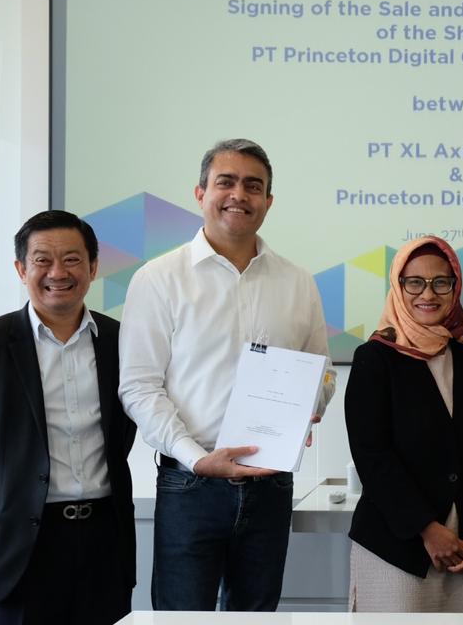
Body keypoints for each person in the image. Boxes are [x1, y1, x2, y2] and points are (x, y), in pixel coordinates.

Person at [118, 138, 332, 611]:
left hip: (271, 484)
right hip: (190, 484)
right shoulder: (158, 279)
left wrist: (304, 407)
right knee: (180, 620)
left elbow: (323, 375)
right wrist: (197, 459)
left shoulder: (298, 281)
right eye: (226, 182)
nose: (239, 195)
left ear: (268, 202)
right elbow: (139, 387)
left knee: (256, 617)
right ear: (201, 193)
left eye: (253, 186)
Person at [0, 210, 135, 625]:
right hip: (17, 546)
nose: (58, 272)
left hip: (102, 542)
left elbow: (126, 428)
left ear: (93, 267)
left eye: (72, 259)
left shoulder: (121, 340)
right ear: (21, 269)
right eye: (42, 260)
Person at [345, 236, 463, 612]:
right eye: (415, 282)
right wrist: (428, 529)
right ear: (398, 287)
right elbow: (373, 456)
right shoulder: (375, 359)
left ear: (456, 287)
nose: (428, 294)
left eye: (441, 282)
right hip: (397, 548)